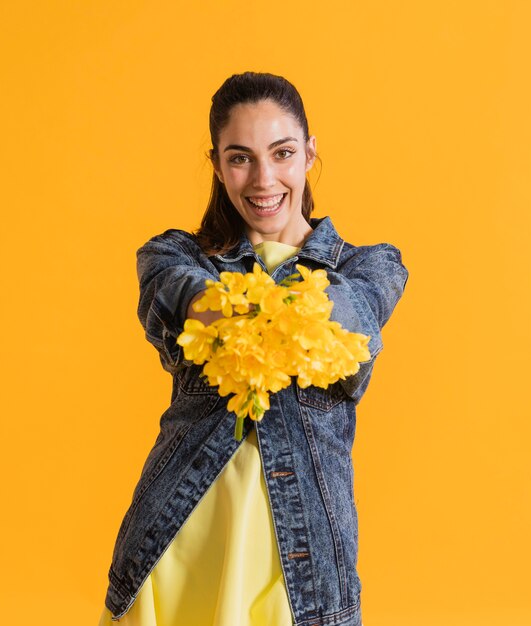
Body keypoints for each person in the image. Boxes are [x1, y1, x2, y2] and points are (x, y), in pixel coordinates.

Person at [99, 71, 409, 626]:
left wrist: (241, 313)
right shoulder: (179, 258)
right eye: (240, 157)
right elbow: (181, 293)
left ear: (310, 154)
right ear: (216, 164)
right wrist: (219, 307)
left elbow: (354, 311)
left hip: (301, 564)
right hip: (180, 545)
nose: (264, 179)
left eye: (283, 152)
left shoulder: (368, 267)